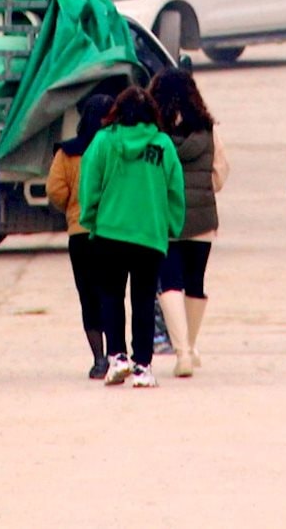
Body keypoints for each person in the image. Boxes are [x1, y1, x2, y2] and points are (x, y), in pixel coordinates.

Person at [79, 85, 184, 388]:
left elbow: (90, 184)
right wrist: (172, 225)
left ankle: (117, 357)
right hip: (149, 233)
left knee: (111, 296)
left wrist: (91, 219)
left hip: (110, 231)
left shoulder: (103, 141)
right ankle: (143, 366)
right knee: (143, 299)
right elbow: (175, 189)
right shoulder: (162, 145)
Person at [150, 70, 223, 378]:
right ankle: (190, 347)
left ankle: (179, 352)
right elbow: (220, 174)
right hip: (203, 219)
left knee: (170, 284)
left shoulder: (153, 135)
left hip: (165, 218)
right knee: (195, 284)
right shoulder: (208, 131)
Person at [46, 90, 117, 378]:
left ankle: (99, 359)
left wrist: (72, 207)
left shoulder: (68, 152)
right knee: (113, 294)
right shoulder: (117, 148)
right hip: (114, 232)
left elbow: (54, 190)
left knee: (88, 296)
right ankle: (119, 354)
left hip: (80, 234)